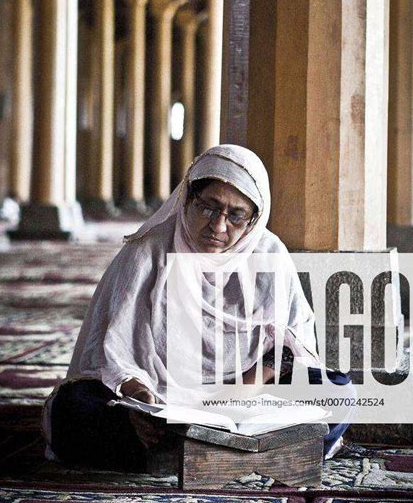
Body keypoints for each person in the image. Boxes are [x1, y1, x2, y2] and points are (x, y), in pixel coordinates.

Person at [43, 144, 352, 469]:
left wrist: (241, 391)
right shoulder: (147, 251)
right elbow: (113, 349)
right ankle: (240, 453)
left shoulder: (268, 254)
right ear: (187, 199)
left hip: (248, 391)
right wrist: (138, 402)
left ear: (252, 222)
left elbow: (289, 345)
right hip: (158, 398)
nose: (218, 227)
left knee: (339, 393)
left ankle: (181, 455)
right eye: (209, 207)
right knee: (73, 407)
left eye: (236, 216)